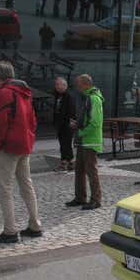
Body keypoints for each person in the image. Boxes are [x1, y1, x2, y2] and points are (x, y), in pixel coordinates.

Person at [0, 62, 42, 243]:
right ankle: (35, 225)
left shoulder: (3, 94)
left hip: (7, 148)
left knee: (4, 188)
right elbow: (32, 120)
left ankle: (10, 230)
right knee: (26, 184)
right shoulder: (23, 93)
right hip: (23, 145)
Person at [67, 74, 104, 211]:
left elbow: (95, 123)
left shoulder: (94, 99)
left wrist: (80, 132)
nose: (77, 87)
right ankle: (80, 197)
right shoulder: (88, 97)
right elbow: (89, 121)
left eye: (79, 84)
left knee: (91, 171)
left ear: (86, 84)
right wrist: (78, 125)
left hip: (90, 142)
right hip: (84, 141)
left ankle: (96, 199)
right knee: (79, 170)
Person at [53, 77, 76, 171]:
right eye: (56, 85)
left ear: (65, 85)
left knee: (65, 144)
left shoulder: (68, 96)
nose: (57, 87)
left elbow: (71, 111)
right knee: (64, 143)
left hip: (66, 124)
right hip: (60, 124)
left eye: (59, 85)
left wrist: (70, 122)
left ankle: (64, 162)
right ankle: (70, 162)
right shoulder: (58, 96)